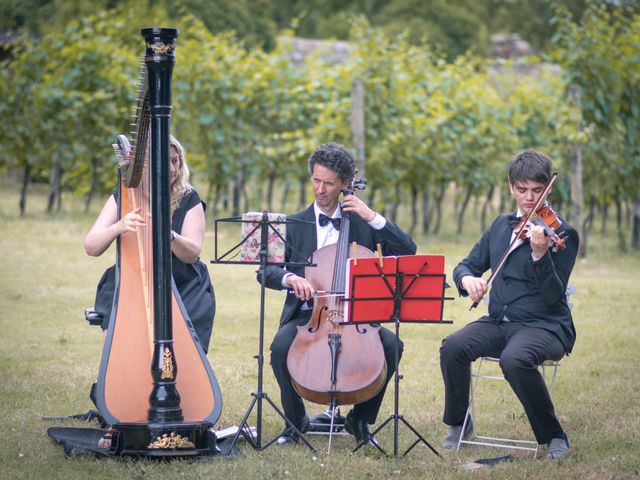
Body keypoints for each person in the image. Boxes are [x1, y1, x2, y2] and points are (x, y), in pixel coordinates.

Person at [261, 142, 417, 446]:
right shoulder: (292, 223)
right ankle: (296, 421)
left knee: (391, 345)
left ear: (346, 184)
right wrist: (291, 278)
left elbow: (407, 250)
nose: (320, 189)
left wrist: (372, 216)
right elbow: (265, 271)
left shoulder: (361, 220)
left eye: (329, 183)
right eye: (316, 180)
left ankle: (360, 419)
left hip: (357, 316)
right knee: (281, 346)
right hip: (310, 315)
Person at [439, 150, 579, 460]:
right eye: (522, 189)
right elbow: (465, 266)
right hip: (500, 321)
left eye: (537, 190)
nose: (529, 198)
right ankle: (460, 424)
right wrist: (467, 281)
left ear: (549, 189)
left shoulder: (562, 233)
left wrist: (541, 256)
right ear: (510, 187)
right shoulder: (501, 226)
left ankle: (554, 436)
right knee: (453, 346)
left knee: (514, 360)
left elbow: (554, 295)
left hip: (545, 325)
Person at [84, 135, 216, 353]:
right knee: (125, 339)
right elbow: (91, 246)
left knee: (181, 348)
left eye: (176, 161)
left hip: (183, 281)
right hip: (132, 275)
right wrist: (119, 226)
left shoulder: (188, 197)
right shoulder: (124, 196)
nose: (173, 168)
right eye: (166, 161)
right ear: (144, 165)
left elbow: (192, 253)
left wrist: (169, 234)